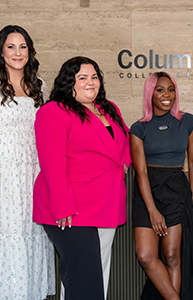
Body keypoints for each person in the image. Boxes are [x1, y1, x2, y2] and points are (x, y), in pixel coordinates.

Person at [33, 56, 131, 300]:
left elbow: (125, 141)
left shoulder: (109, 108)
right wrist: (62, 205)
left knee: (97, 272)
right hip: (72, 209)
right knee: (84, 276)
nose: (91, 82)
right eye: (82, 77)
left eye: (94, 77)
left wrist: (125, 163)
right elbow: (51, 164)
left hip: (107, 202)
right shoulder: (54, 111)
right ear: (70, 82)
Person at [0, 25, 55, 299]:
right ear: (1, 50)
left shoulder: (39, 85)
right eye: (11, 46)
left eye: (22, 47)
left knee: (26, 233)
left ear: (30, 51)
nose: (17, 52)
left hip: (30, 175)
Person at [130, 72, 193, 300]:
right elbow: (140, 171)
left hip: (176, 191)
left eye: (171, 89)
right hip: (146, 193)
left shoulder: (187, 121)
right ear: (150, 93)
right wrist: (152, 210)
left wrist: (190, 199)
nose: (167, 95)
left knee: (172, 256)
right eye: (160, 90)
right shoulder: (138, 128)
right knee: (145, 255)